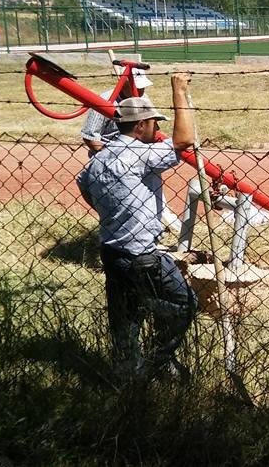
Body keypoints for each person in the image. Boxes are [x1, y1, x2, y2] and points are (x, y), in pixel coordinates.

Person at [76, 74, 198, 382]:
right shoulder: (140, 155)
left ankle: (128, 376)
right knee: (184, 303)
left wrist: (113, 212)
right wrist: (179, 90)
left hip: (111, 249)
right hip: (141, 255)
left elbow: (84, 186)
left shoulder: (98, 159)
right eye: (155, 124)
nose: (157, 130)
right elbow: (183, 141)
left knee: (124, 318)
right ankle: (160, 358)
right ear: (141, 125)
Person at [81, 66, 182, 232]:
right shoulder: (106, 100)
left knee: (149, 194)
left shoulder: (142, 98)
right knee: (124, 204)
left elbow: (150, 126)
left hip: (137, 155)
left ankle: (160, 223)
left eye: (143, 86)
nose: (141, 90)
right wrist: (114, 157)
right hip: (111, 161)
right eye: (138, 86)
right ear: (124, 83)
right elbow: (90, 136)